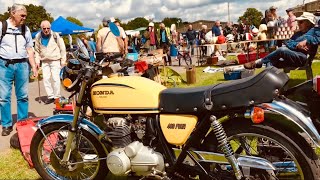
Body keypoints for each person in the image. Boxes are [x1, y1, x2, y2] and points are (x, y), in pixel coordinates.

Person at [0, 4, 38, 136]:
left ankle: (22, 123)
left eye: (25, 16)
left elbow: (29, 49)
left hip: (22, 65)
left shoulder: (25, 29)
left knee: (23, 96)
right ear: (12, 13)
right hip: (5, 65)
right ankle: (6, 124)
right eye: (22, 15)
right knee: (4, 97)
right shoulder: (2, 27)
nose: (24, 18)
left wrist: (33, 66)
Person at [244, 12, 317, 69]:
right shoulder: (297, 34)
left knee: (282, 50)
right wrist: (297, 46)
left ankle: (258, 62)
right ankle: (268, 82)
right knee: (270, 61)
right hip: (291, 57)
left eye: (301, 22)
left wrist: (295, 45)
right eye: (298, 22)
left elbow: (308, 47)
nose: (298, 24)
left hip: (302, 59)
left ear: (308, 23)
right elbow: (289, 43)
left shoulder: (313, 34)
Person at [34, 20, 66, 105]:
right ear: (41, 28)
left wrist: (63, 61)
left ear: (50, 28)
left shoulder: (56, 35)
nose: (46, 30)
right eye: (44, 28)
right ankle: (50, 96)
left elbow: (62, 48)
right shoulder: (38, 36)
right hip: (44, 61)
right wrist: (37, 61)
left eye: (48, 28)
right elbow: (36, 50)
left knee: (56, 79)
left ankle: (57, 97)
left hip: (55, 60)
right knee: (46, 79)